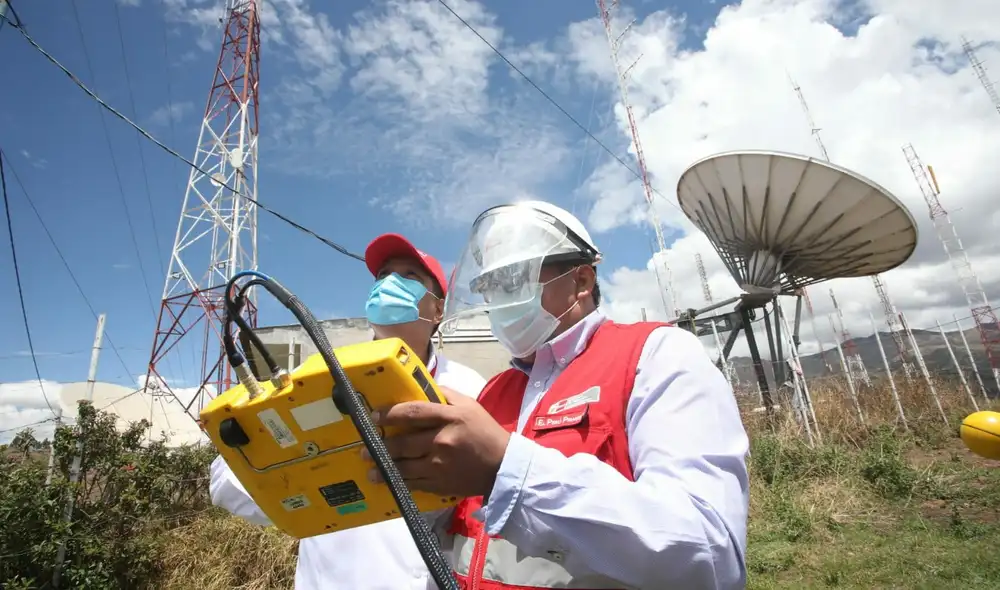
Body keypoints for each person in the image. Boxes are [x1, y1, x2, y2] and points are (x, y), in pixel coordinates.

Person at [367, 201, 750, 589]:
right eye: (488, 286)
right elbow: (461, 541)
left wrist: (506, 470)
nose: (498, 298)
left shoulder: (655, 356)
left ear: (581, 282)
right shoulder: (495, 391)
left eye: (512, 279)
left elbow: (709, 554)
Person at [208, 233, 488, 590]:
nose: (390, 284)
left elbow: (486, 500)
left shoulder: (470, 389)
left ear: (437, 310)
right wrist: (300, 491)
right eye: (383, 275)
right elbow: (228, 481)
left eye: (409, 277)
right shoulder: (317, 375)